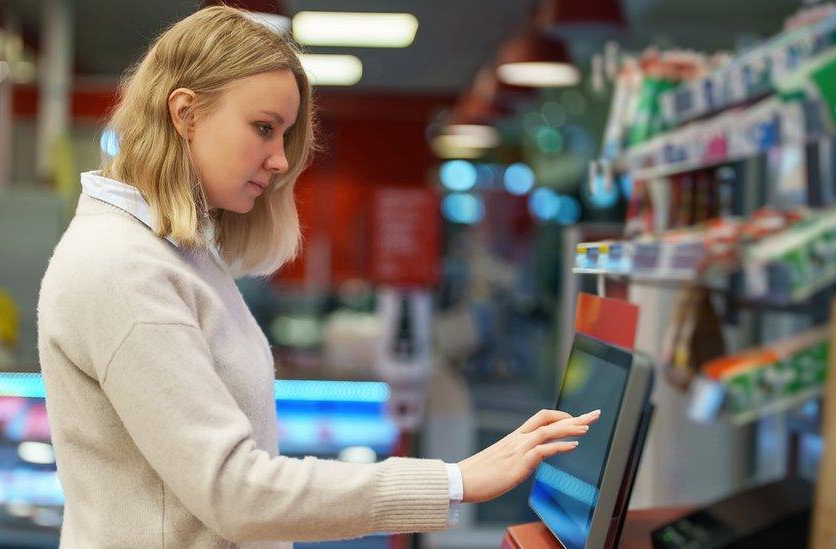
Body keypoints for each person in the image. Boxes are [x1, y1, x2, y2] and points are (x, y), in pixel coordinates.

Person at [37, 6, 599, 548]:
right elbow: (235, 492)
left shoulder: (173, 254)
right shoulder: (122, 268)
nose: (281, 160)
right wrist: (454, 481)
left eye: (284, 135)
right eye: (263, 128)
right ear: (185, 113)